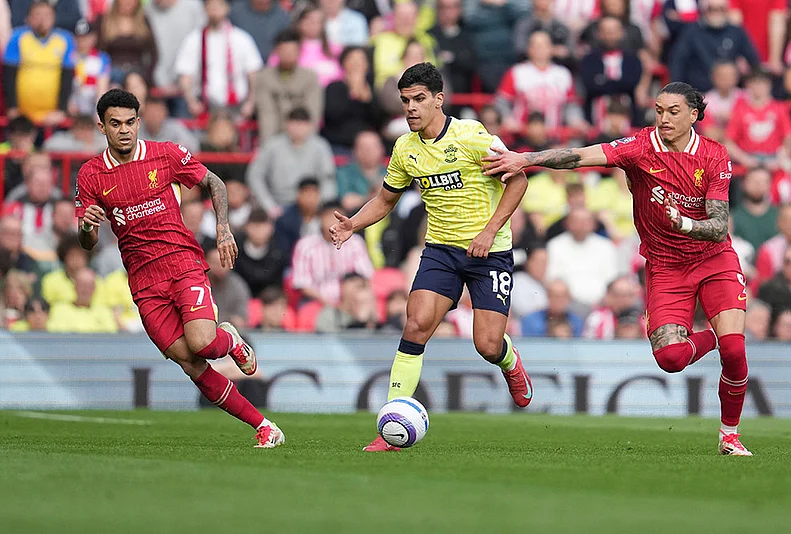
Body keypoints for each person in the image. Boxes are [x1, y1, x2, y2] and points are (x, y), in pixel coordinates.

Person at [483, 81, 753, 456]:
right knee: (671, 359)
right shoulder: (641, 147)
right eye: (659, 110)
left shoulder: (714, 155)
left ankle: (729, 435)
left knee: (735, 351)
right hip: (665, 266)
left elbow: (719, 226)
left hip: (713, 259)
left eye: (673, 111)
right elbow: (579, 156)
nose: (664, 118)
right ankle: (718, 334)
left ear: (694, 115)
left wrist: (684, 224)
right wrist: (525, 159)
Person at [329, 62, 532, 452]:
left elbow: (518, 179)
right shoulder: (405, 149)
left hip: (490, 253)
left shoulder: (473, 137)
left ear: (439, 100)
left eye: (419, 99)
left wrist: (490, 231)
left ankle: (510, 362)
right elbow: (386, 199)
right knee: (416, 325)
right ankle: (390, 423)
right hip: (441, 251)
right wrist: (353, 224)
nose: (410, 108)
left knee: (488, 345)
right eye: (405, 101)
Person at [75, 89, 284, 449]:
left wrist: (222, 229)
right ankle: (264, 426)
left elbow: (214, 182)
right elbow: (87, 243)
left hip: (182, 263)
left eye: (129, 122)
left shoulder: (164, 154)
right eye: (115, 124)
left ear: (139, 123)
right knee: (190, 363)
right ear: (101, 126)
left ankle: (229, 338)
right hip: (143, 282)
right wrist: (87, 226)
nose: (124, 130)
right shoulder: (91, 175)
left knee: (202, 342)